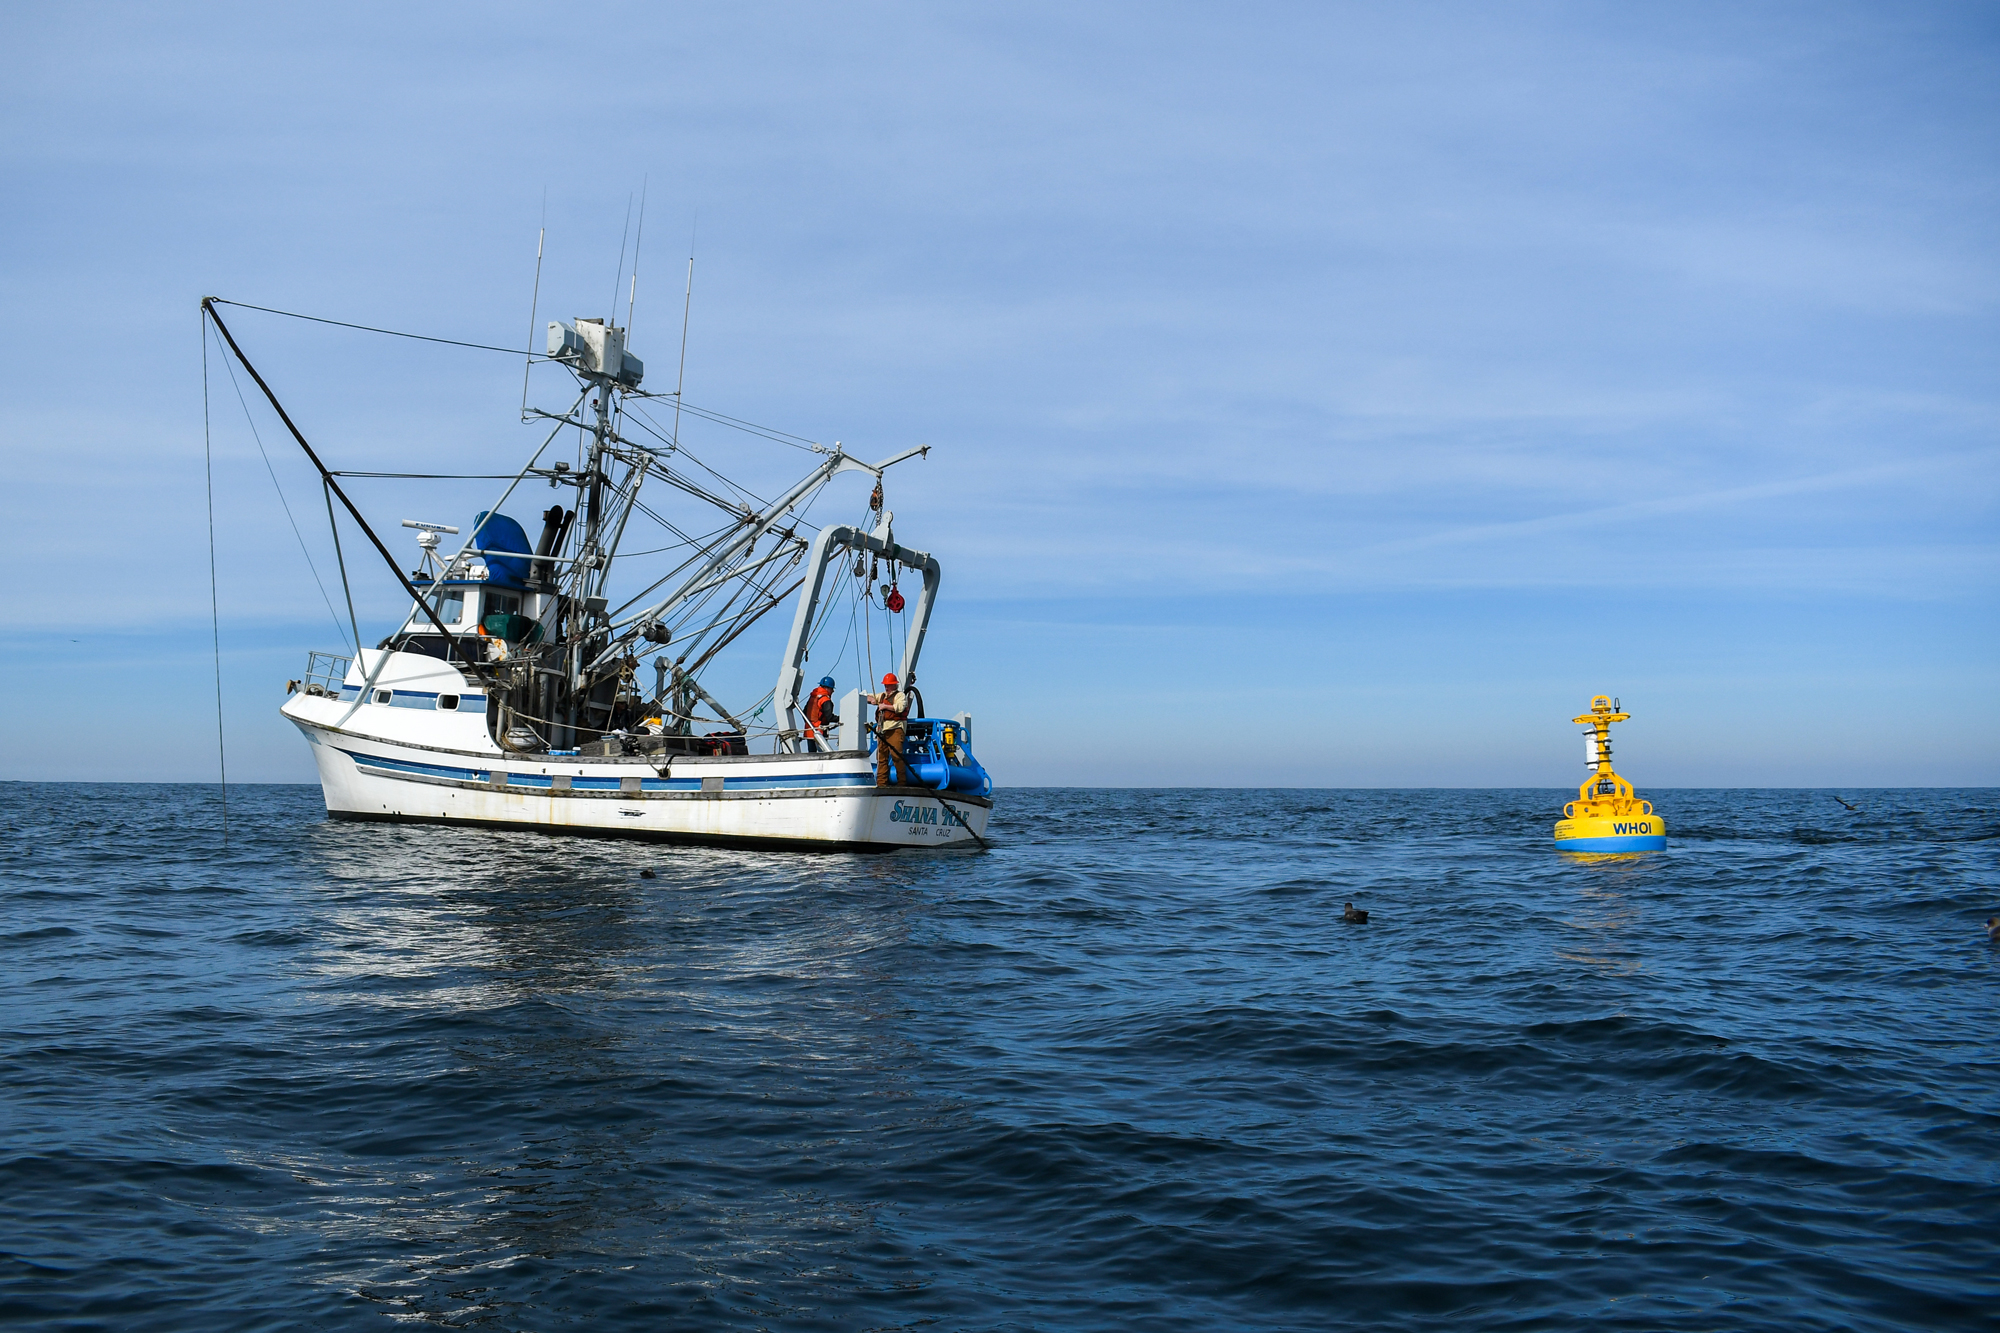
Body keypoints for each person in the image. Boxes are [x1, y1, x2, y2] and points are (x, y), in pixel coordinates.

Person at [865, 671, 914, 787]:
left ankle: (902, 783)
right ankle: (881, 784)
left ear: (894, 685)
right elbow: (866, 696)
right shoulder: (881, 696)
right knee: (881, 758)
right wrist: (870, 699)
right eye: (885, 685)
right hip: (882, 730)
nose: (886, 687)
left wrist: (885, 706)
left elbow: (900, 707)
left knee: (897, 756)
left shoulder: (900, 696)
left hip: (895, 729)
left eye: (888, 685)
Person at [803, 676, 836, 753]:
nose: (833, 691)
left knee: (812, 755)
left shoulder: (813, 698)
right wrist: (842, 718)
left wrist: (809, 723)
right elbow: (829, 717)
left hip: (809, 730)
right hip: (819, 731)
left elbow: (805, 712)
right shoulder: (825, 700)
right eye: (832, 689)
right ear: (828, 688)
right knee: (823, 754)